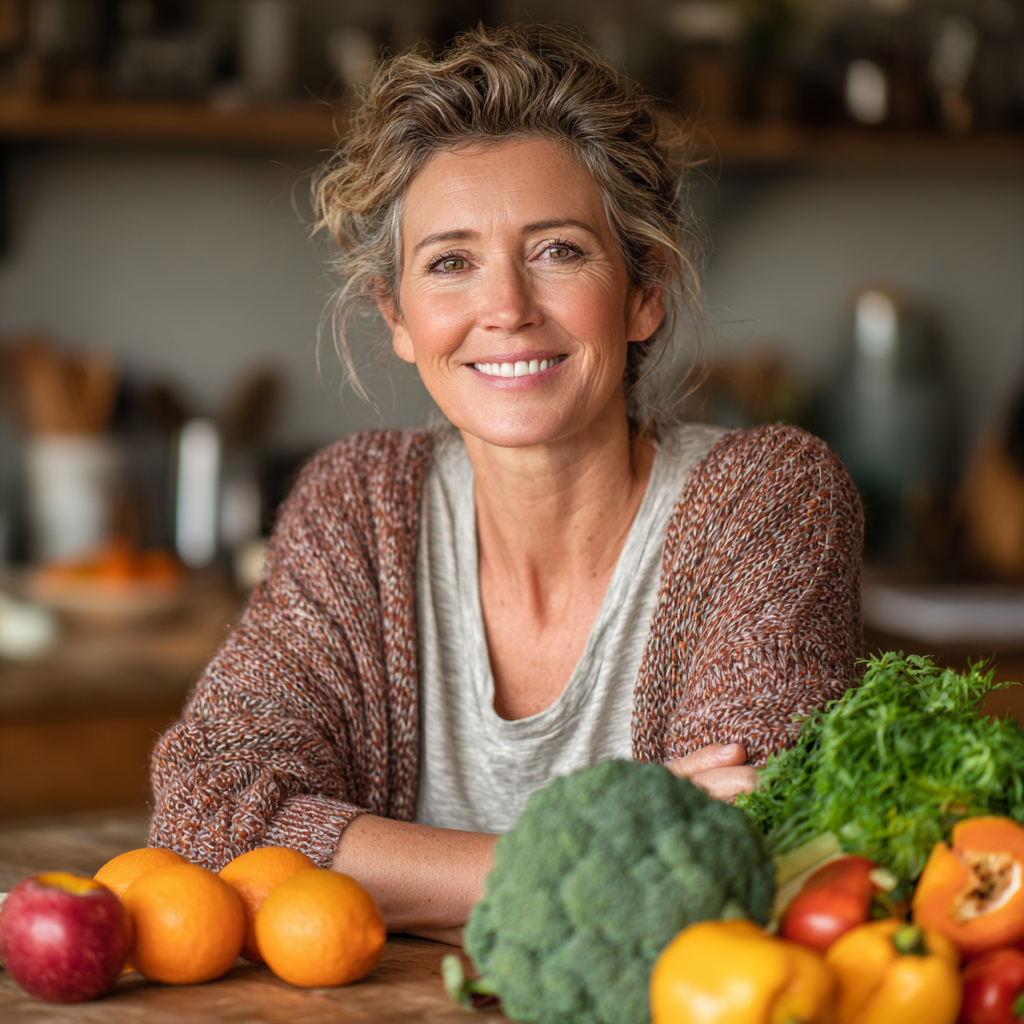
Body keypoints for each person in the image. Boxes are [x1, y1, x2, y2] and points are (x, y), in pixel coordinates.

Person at [149, 24, 863, 945]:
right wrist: (563, 852)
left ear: (644, 290)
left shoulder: (768, 499)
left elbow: (741, 848)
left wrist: (382, 867)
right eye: (451, 262)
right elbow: (211, 815)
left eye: (559, 250)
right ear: (398, 316)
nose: (508, 309)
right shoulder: (354, 508)